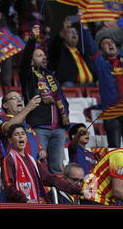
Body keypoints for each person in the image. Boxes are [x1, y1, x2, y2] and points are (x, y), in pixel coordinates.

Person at [82, 11, 123, 148]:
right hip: (112, 113)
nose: (110, 44)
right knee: (114, 149)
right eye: (105, 43)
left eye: (112, 42)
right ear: (101, 51)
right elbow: (91, 47)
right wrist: (85, 26)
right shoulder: (101, 65)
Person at [19, 25, 70, 173]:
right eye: (39, 55)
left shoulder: (50, 76)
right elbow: (25, 59)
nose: (44, 57)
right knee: (38, 165)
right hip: (39, 128)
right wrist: (32, 40)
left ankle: (57, 196)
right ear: (32, 61)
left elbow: (61, 99)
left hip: (59, 129)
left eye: (44, 55)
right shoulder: (28, 77)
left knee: (57, 169)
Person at [1, 124, 81, 203]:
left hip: (35, 203)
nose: (21, 136)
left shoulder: (33, 161)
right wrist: (26, 201)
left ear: (26, 138)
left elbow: (52, 180)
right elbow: (9, 187)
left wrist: (78, 190)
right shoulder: (8, 160)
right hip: (19, 205)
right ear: (10, 140)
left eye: (23, 134)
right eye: (16, 134)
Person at [48, 16, 95, 87]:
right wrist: (64, 30)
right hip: (72, 85)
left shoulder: (82, 52)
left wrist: (84, 25)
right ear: (64, 35)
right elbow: (54, 45)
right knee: (68, 85)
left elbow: (90, 45)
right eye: (70, 32)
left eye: (76, 32)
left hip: (89, 85)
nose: (74, 33)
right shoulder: (60, 51)